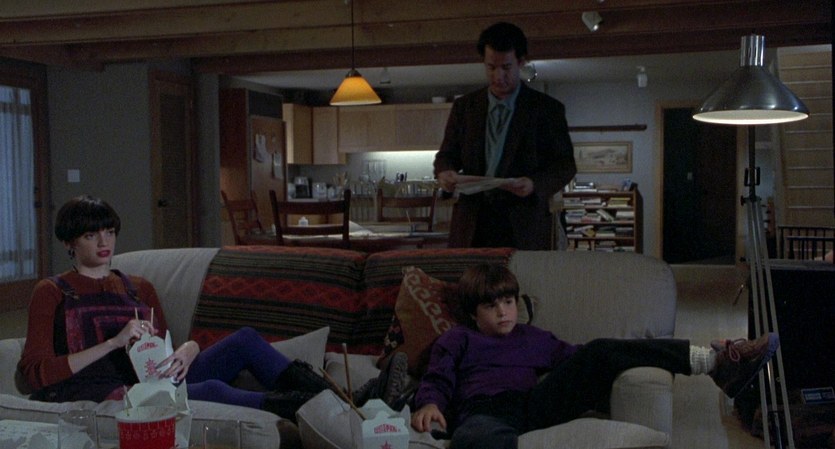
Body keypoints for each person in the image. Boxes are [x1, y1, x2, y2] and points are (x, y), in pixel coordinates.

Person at [18, 195, 408, 422]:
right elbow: (35, 375)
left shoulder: (138, 287)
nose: (104, 242)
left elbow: (166, 350)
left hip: (156, 380)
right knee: (212, 389)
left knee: (245, 340)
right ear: (70, 243)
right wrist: (112, 343)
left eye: (109, 232)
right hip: (108, 394)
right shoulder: (52, 292)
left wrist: (188, 349)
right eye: (91, 235)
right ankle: (330, 409)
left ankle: (352, 401)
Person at [410, 264, 780, 449]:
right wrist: (429, 403)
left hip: (534, 403)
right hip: (482, 411)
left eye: (508, 302)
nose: (503, 312)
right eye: (491, 306)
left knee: (601, 349)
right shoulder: (459, 338)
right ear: (473, 313)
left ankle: (714, 362)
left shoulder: (533, 337)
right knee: (473, 440)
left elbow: (579, 360)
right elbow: (438, 376)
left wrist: (601, 368)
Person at [433, 22, 577, 249]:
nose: (498, 76)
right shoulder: (465, 107)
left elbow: (565, 165)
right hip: (472, 225)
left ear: (521, 62)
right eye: (491, 67)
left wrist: (534, 184)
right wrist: (445, 172)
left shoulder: (547, 109)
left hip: (525, 226)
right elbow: (446, 155)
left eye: (506, 67)